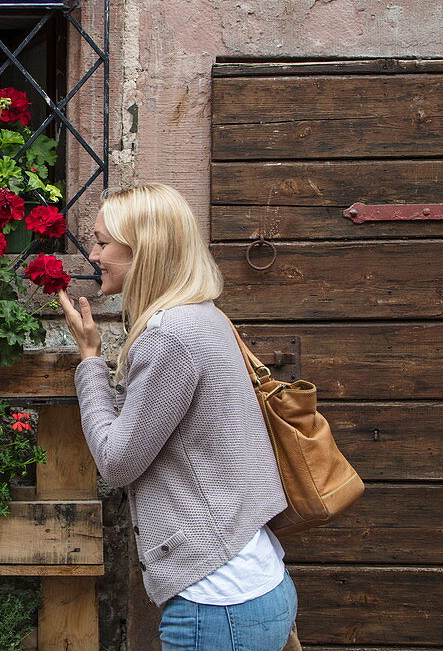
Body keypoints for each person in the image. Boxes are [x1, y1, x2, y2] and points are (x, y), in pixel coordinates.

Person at [57, 183, 298, 651]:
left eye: (103, 242)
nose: (93, 254)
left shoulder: (170, 335)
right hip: (255, 582)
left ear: (143, 250)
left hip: (218, 603)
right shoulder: (202, 315)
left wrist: (89, 361)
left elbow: (118, 462)